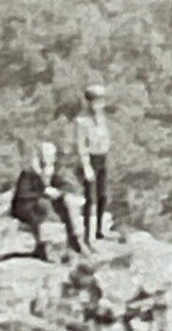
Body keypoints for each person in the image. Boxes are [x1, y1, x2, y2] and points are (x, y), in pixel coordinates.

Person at [12, 141, 82, 260]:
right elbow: (23, 194)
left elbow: (65, 185)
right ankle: (44, 248)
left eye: (52, 155)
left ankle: (72, 238)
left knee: (63, 203)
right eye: (47, 155)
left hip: (42, 203)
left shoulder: (54, 170)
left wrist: (58, 192)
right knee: (43, 207)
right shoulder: (29, 172)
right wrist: (44, 192)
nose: (50, 158)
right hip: (25, 205)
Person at [74, 83, 112, 243]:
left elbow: (105, 137)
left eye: (101, 102)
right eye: (95, 102)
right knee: (90, 199)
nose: (98, 106)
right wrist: (86, 167)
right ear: (88, 102)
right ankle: (87, 235)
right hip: (90, 160)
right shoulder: (81, 121)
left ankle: (99, 230)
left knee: (103, 195)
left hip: (102, 158)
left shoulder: (102, 118)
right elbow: (81, 146)